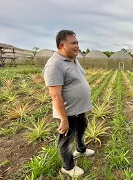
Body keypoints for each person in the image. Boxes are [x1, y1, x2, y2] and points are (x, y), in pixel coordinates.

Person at [43, 30, 94, 178]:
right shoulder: (54, 65)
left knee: (81, 130)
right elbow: (55, 95)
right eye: (73, 43)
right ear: (61, 45)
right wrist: (63, 119)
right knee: (66, 141)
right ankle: (68, 166)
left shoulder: (73, 59)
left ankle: (81, 149)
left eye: (77, 42)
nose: (77, 46)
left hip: (79, 109)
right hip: (68, 112)